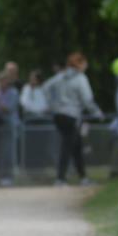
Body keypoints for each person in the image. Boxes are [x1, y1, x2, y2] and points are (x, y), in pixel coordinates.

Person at [45, 51, 103, 186]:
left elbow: (46, 87)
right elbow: (87, 99)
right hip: (70, 116)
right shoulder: (81, 78)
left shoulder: (60, 76)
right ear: (80, 63)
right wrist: (97, 113)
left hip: (58, 115)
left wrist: (53, 105)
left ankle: (83, 177)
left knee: (76, 146)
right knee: (67, 146)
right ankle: (60, 178)